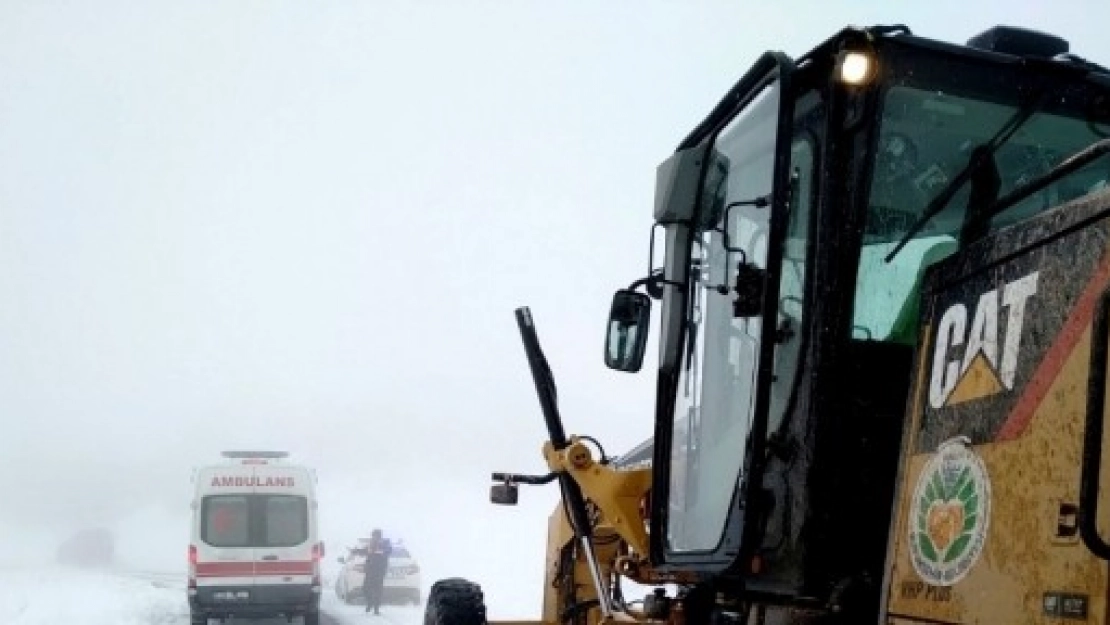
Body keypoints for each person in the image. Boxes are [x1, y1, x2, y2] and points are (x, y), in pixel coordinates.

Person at [362, 529, 392, 615]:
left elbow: (388, 551)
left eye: (376, 535)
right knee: (365, 588)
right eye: (373, 536)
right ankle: (370, 602)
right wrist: (355, 551)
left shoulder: (385, 543)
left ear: (379, 536)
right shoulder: (370, 543)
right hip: (370, 570)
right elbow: (365, 551)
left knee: (378, 590)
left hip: (380, 570)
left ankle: (376, 609)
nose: (374, 537)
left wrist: (378, 551)